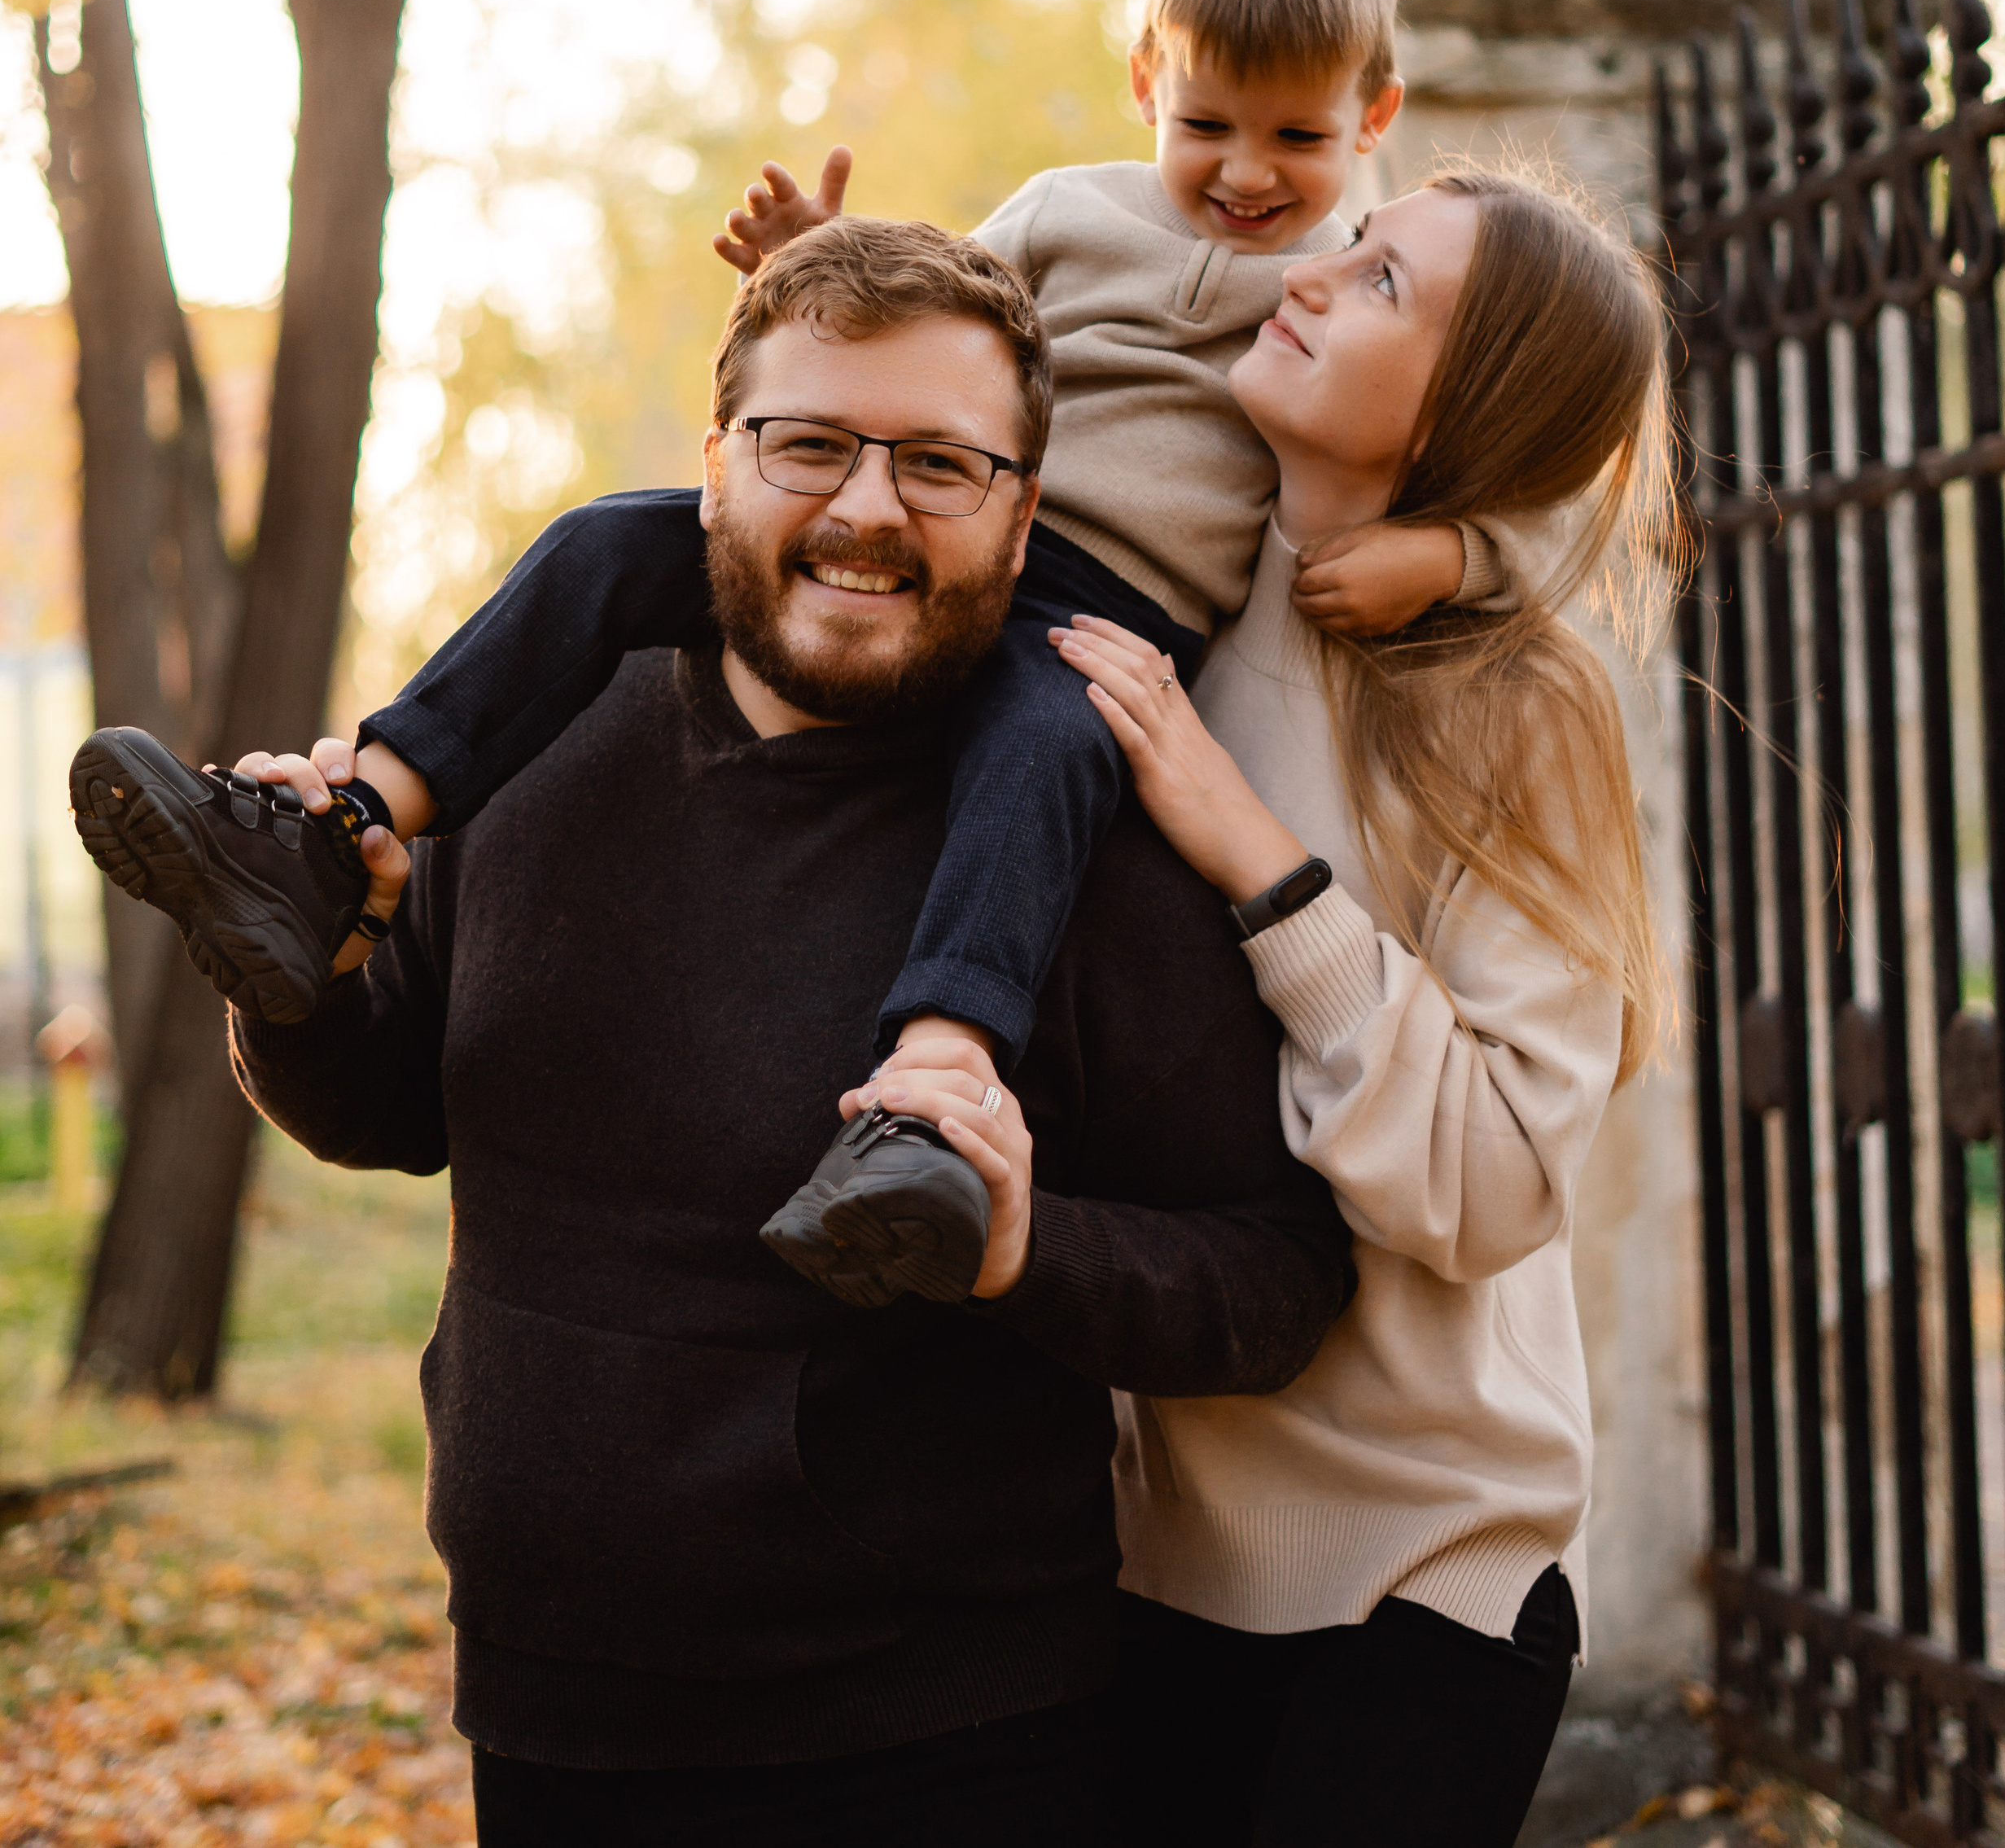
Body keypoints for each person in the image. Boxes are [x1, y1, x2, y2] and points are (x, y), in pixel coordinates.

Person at [72, 0, 1507, 1308]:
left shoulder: (1330, 295)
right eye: (1207, 122)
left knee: (1037, 752)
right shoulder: (1069, 215)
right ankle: (347, 815)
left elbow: (1545, 482)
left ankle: (930, 1091)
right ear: (1145, 73)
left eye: (1298, 137)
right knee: (602, 542)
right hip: (950, 552)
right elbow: (924, 324)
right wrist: (823, 267)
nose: (1249, 174)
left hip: (1085, 625)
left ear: (1373, 114)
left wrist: (1446, 548)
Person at [151, 221, 1355, 1845]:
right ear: (715, 465)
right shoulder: (534, 742)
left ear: (1021, 512)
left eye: (940, 463)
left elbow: (1274, 1281)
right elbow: (393, 1106)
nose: (866, 506)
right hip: (545, 1709)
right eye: (810, 446)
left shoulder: (1085, 842)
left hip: (950, 1746)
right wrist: (298, 981)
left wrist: (1023, 1246)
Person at [1013, 164, 1674, 1848]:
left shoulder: (1511, 702)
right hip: (1138, 1543)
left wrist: (1257, 862)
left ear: (1471, 405)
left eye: (1378, 283)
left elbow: (1497, 1188)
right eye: (1348, 248)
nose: (1307, 275)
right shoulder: (1166, 574)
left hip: (1421, 1571)